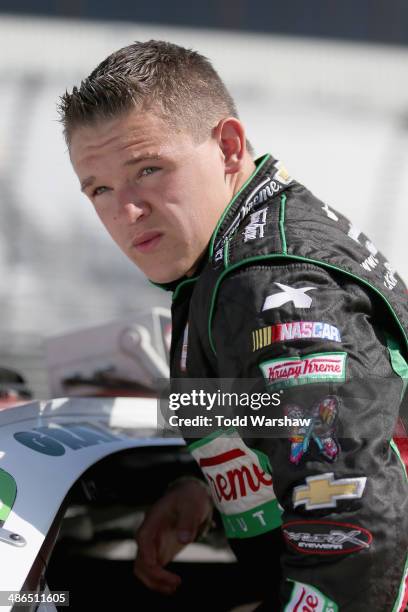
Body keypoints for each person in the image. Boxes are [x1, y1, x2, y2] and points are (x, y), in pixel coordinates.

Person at [59, 40, 408, 611]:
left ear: (228, 146)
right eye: (99, 188)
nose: (126, 212)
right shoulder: (225, 256)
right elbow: (288, 416)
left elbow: (352, 524)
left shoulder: (268, 282)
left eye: (148, 169)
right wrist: (204, 486)